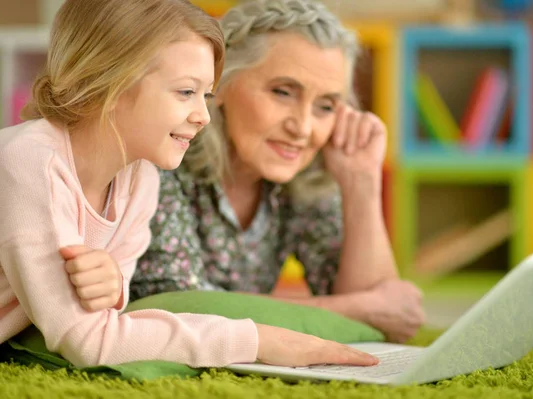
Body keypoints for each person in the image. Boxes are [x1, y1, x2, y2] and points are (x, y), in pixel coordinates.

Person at [0, 0, 379, 369]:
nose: (203, 117)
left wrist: (112, 286)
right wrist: (259, 340)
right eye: (186, 92)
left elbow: (110, 311)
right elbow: (88, 340)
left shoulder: (140, 177)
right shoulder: (29, 163)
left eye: (206, 95)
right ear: (109, 83)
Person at [101, 0, 424, 344]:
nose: (303, 128)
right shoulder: (161, 159)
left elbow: (385, 322)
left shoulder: (301, 176)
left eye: (325, 106)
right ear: (219, 83)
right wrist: (359, 309)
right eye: (283, 92)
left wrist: (362, 182)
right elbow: (176, 308)